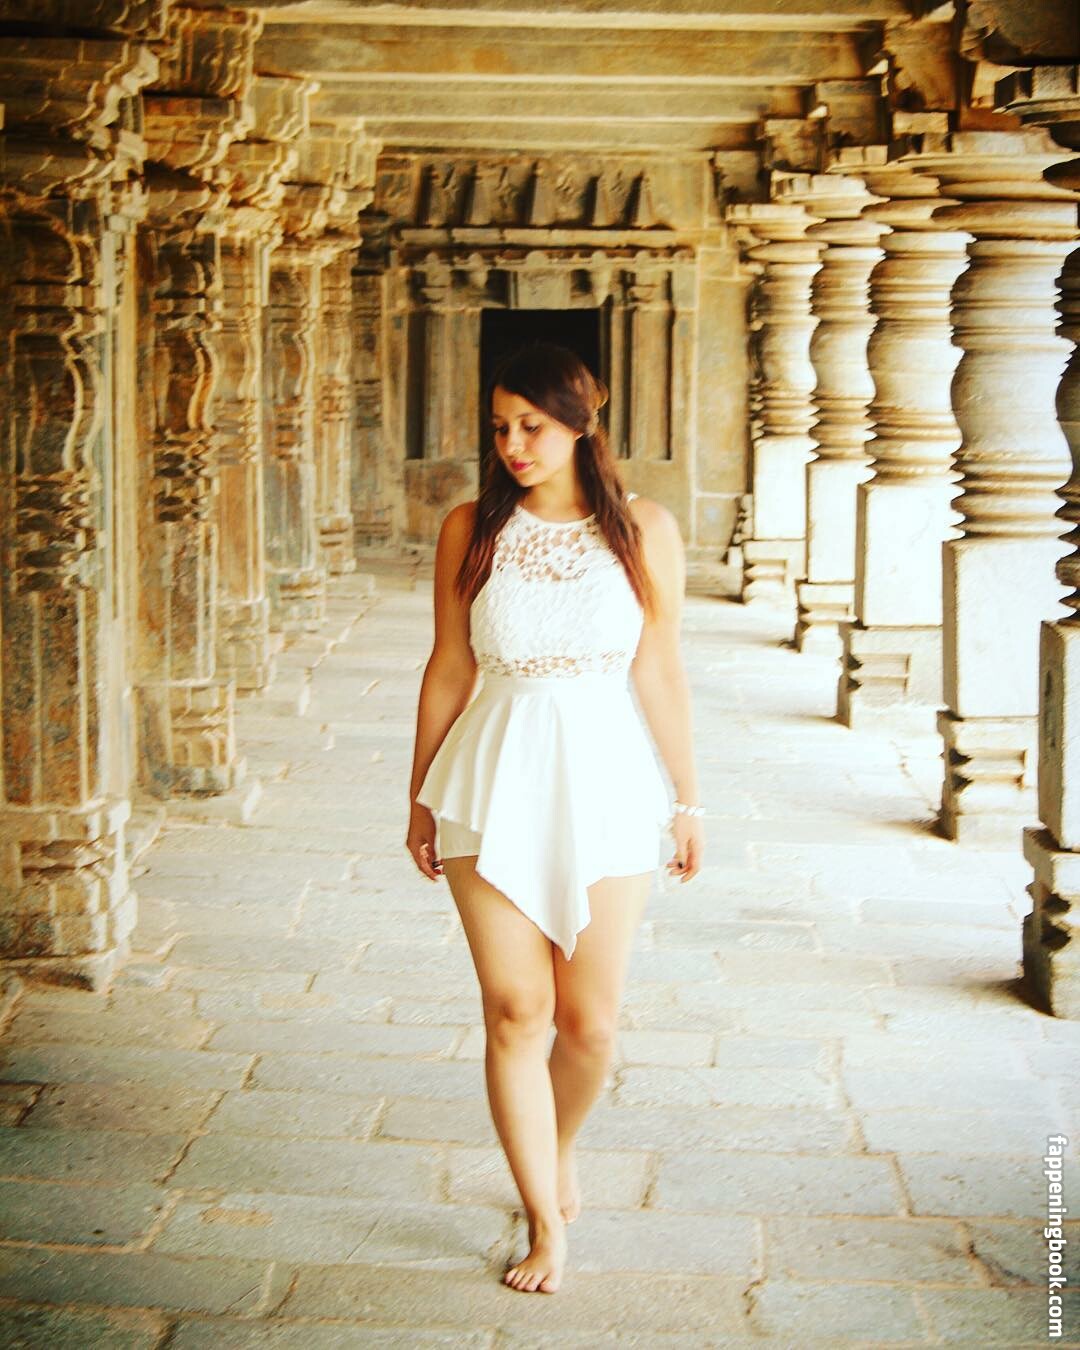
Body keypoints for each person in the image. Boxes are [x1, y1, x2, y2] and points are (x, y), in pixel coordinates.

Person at [405, 341, 703, 1295]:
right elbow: (449, 666)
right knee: (517, 1009)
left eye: (531, 426)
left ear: (582, 421)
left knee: (591, 1024)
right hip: (490, 778)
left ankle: (559, 1143)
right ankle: (542, 1221)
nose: (513, 445)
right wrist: (419, 795)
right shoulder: (470, 528)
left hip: (608, 781)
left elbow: (660, 669)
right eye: (500, 427)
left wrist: (687, 800)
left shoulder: (645, 528)